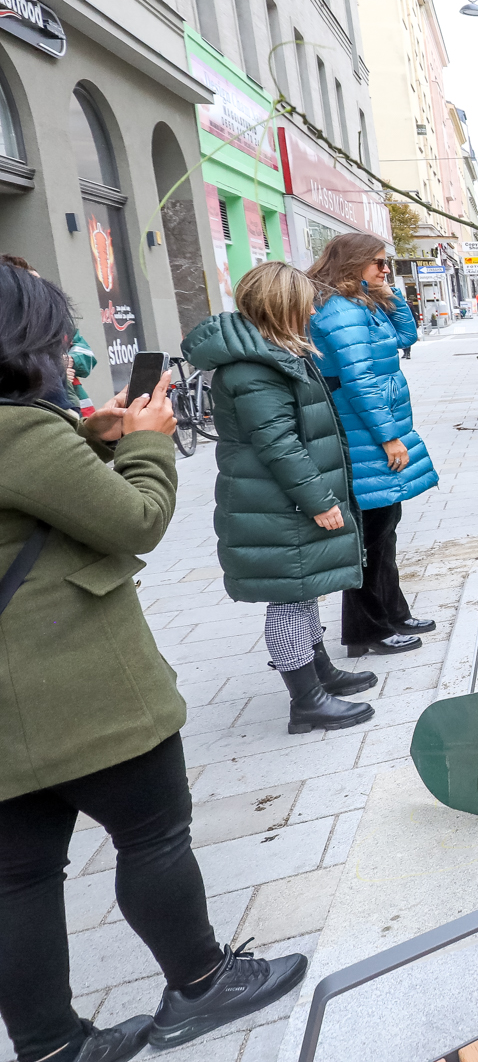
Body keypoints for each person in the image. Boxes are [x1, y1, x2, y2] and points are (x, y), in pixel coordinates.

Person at [0, 263, 307, 1062]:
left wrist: (86, 435)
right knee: (154, 833)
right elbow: (135, 519)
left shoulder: (28, 435)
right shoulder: (17, 431)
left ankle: (52, 1045)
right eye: (53, 332)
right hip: (77, 686)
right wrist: (147, 446)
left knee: (19, 878)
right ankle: (202, 983)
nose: (66, 347)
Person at [184, 262, 374, 735]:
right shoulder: (255, 367)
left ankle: (320, 672)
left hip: (280, 500)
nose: (314, 308)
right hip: (277, 503)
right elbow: (278, 444)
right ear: (282, 306)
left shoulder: (273, 351)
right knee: (289, 599)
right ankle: (306, 702)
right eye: (306, 300)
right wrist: (319, 500)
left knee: (304, 587)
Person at [307, 233, 439, 658]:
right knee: (369, 535)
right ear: (352, 263)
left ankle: (392, 613)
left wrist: (389, 293)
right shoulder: (339, 310)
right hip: (362, 432)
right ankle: (368, 630)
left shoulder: (361, 301)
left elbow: (406, 336)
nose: (386, 270)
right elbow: (359, 380)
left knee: (386, 526)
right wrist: (388, 436)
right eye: (379, 264)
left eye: (387, 264)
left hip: (371, 427)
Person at [1, 255, 97, 410]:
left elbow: (88, 356)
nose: (43, 293)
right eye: (33, 286)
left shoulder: (60, 329)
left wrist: (68, 361)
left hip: (81, 417)